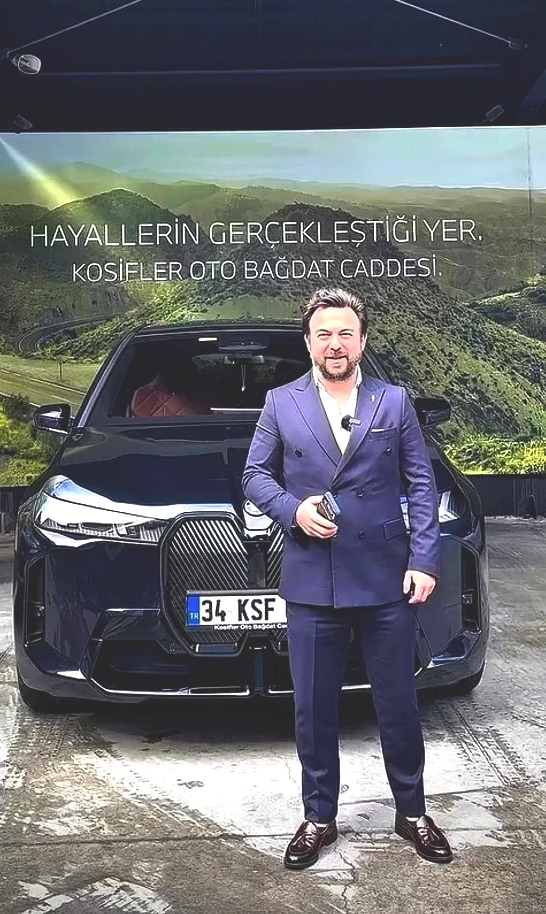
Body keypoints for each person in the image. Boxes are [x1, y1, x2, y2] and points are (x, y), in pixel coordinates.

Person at [242, 288, 452, 869]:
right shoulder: (281, 403)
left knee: (398, 703)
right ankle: (318, 818)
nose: (334, 344)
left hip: (385, 579)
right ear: (308, 342)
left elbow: (421, 484)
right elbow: (255, 475)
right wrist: (294, 511)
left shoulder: (393, 401)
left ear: (362, 341)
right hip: (313, 580)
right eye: (324, 334)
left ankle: (412, 812)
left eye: (345, 333)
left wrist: (424, 559)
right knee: (314, 709)